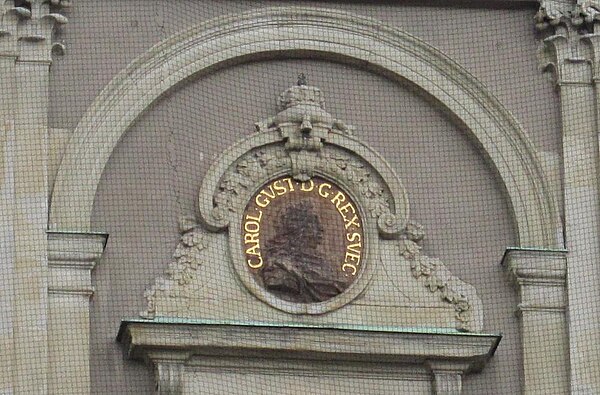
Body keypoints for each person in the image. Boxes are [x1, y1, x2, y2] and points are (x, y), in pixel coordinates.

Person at [261, 200, 345, 303]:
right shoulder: (279, 265)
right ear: (300, 230)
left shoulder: (328, 265)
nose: (320, 229)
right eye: (315, 224)